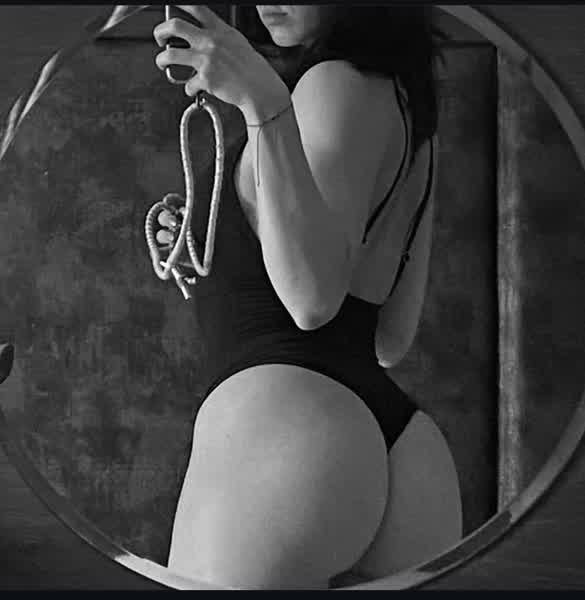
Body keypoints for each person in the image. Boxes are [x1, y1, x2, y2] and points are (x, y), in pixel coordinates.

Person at [152, 5, 462, 589]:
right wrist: (227, 251)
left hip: (288, 437)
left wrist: (264, 104)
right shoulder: (408, 105)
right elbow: (392, 336)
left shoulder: (326, 83)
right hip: (404, 448)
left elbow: (311, 303)